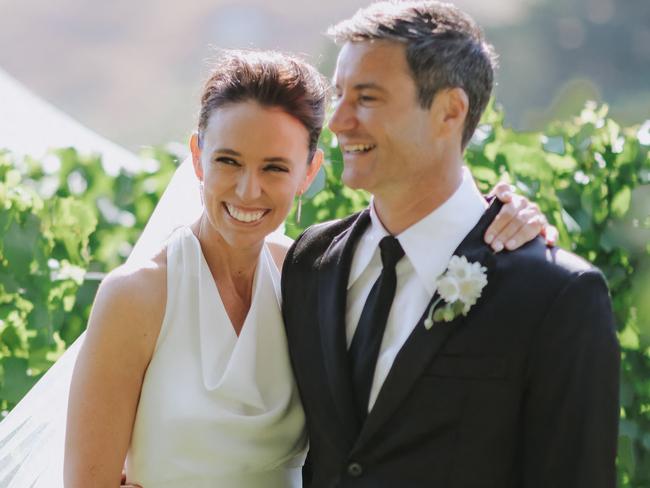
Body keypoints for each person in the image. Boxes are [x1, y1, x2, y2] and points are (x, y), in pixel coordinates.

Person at [58, 47, 552, 487]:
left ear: (309, 172)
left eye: (274, 167)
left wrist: (505, 213)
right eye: (229, 161)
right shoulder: (138, 296)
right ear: (197, 157)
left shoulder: (316, 276)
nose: (248, 191)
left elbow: (419, 227)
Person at [281, 2, 620, 487]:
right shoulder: (310, 261)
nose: (337, 121)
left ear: (449, 112)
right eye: (338, 94)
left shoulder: (557, 295)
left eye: (367, 98)